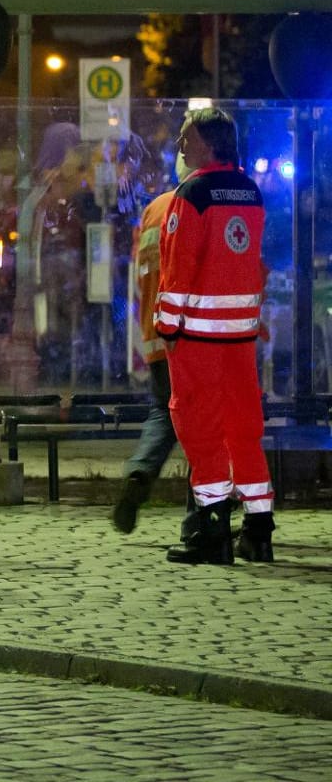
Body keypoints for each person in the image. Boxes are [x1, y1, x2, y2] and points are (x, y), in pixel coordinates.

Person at [155, 107, 272, 564]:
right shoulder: (250, 191)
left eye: (188, 138)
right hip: (240, 338)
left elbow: (177, 268)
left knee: (200, 431)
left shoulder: (192, 193)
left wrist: (166, 327)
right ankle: (259, 532)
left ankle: (214, 533)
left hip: (198, 338)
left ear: (208, 144)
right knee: (245, 429)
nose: (181, 146)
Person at [111, 184, 180, 534]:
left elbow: (141, 271)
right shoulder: (198, 202)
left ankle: (139, 471)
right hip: (192, 333)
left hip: (155, 332)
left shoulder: (153, 209)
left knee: (163, 412)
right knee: (205, 421)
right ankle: (207, 509)